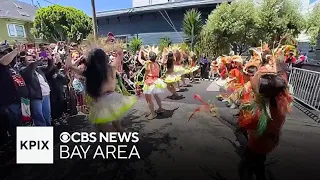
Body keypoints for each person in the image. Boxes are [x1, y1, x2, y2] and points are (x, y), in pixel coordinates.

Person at [237, 51, 292, 180]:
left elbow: (246, 124)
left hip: (257, 145)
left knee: (245, 168)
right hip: (268, 143)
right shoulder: (280, 103)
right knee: (259, 165)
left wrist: (244, 113)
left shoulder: (262, 113)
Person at [66, 48, 136, 132]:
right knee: (117, 126)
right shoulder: (111, 68)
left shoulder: (89, 72)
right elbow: (120, 55)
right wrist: (116, 49)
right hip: (113, 98)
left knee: (103, 129)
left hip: (101, 101)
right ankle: (128, 141)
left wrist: (68, 53)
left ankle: (113, 142)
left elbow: (69, 66)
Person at [0, 44, 29, 146]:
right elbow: (3, 61)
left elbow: (24, 62)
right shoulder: (2, 64)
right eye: (5, 53)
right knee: (14, 125)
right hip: (8, 102)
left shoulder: (10, 67)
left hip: (20, 100)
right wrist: (16, 50)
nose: (9, 55)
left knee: (22, 123)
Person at [20, 48, 54, 126]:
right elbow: (32, 66)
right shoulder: (23, 70)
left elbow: (49, 67)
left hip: (46, 95)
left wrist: (50, 59)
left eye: (33, 59)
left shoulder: (38, 69)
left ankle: (48, 131)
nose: (32, 61)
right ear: (24, 62)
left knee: (47, 116)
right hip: (36, 97)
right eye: (29, 60)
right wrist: (40, 58)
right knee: (39, 117)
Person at [138, 47, 167, 120]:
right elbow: (163, 61)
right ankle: (160, 108)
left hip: (149, 81)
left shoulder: (147, 63)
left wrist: (140, 51)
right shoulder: (157, 63)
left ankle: (153, 113)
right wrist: (164, 54)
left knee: (148, 99)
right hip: (156, 81)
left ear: (149, 57)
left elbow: (139, 59)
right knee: (156, 95)